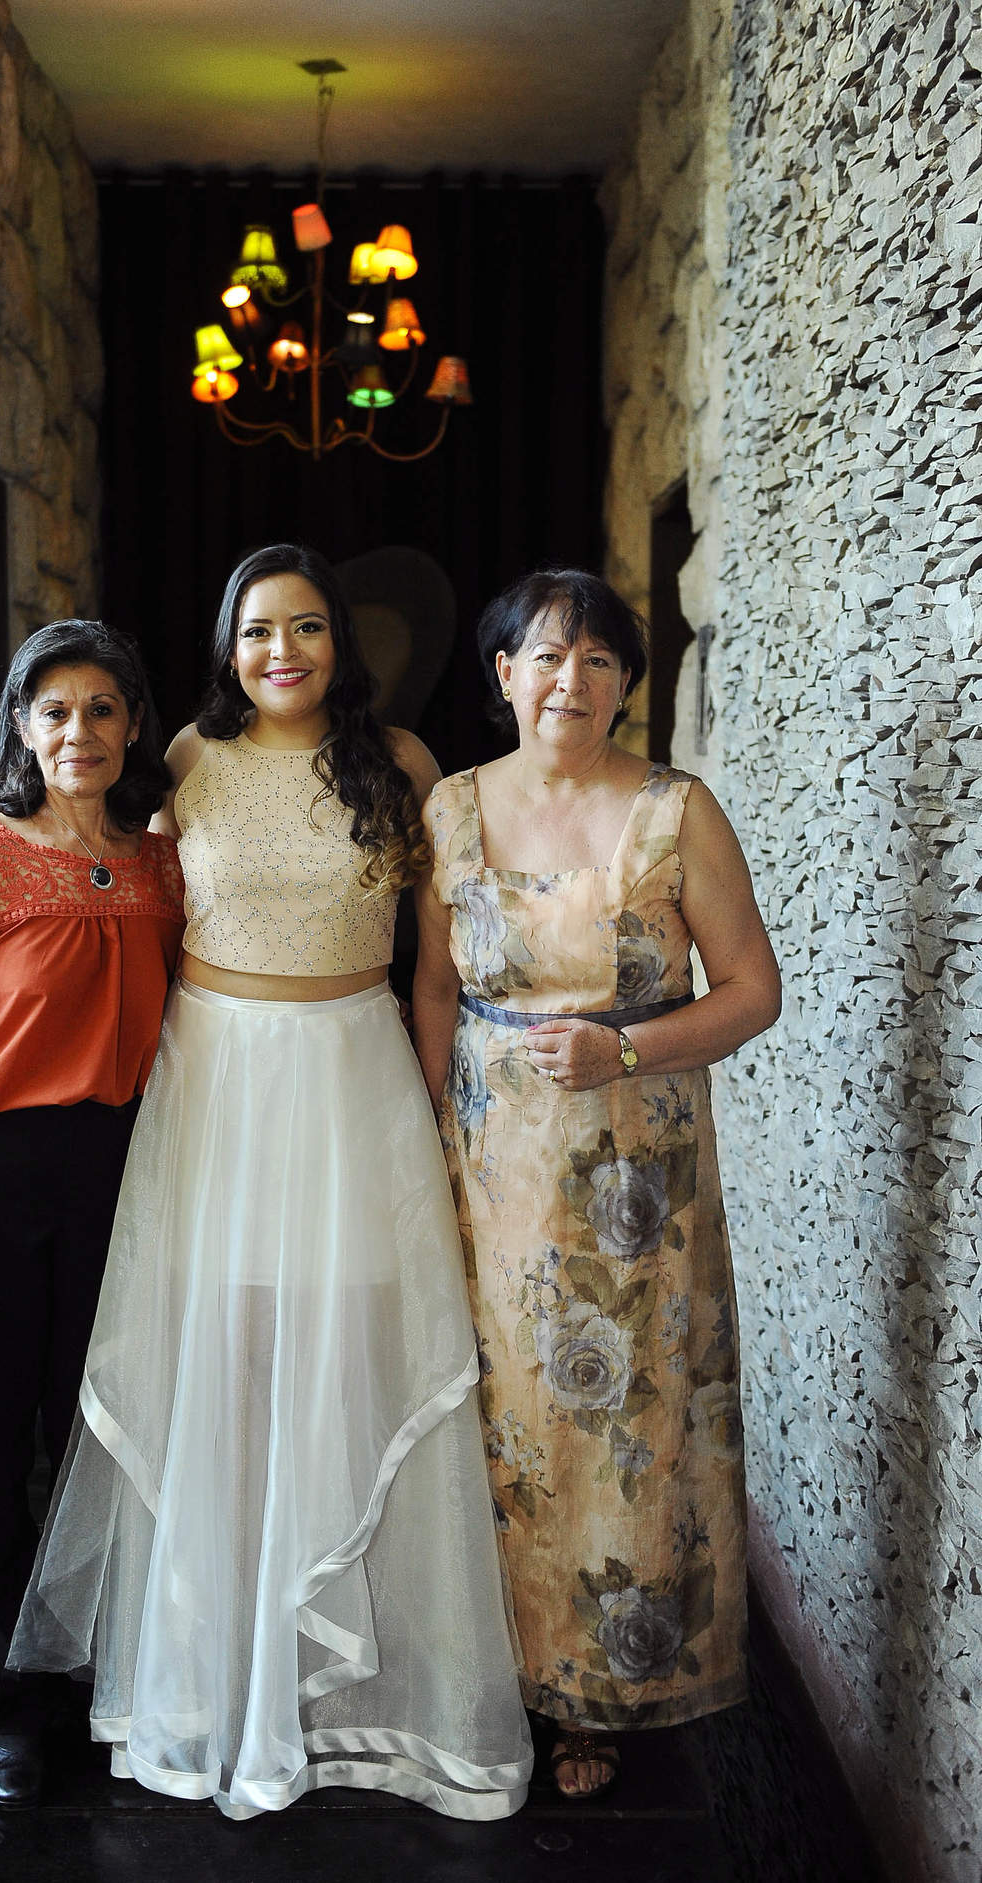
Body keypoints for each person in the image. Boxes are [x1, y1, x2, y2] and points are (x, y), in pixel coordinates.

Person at [8, 545, 533, 1821]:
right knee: (225, 1356)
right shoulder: (185, 757)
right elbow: (130, 906)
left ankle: (344, 1676)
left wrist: (432, 1104)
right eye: (256, 630)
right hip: (217, 1079)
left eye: (303, 627)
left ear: (339, 642)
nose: (280, 651)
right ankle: (216, 1666)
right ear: (227, 646)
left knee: (349, 1343)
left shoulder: (401, 762)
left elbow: (434, 961)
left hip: (352, 1074)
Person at [413, 569, 780, 1801]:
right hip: (490, 1171)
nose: (570, 680)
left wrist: (624, 1049)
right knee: (498, 1415)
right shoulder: (450, 809)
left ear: (625, 684)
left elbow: (751, 991)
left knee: (618, 1419)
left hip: (635, 1181)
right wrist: (429, 1131)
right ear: (503, 673)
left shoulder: (677, 811)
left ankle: (593, 1692)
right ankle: (497, 1673)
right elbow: (431, 986)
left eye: (599, 660)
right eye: (545, 655)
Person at [0, 620, 184, 1806]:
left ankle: (95, 1679)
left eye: (103, 707)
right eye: (54, 709)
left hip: (123, 1169)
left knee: (99, 1435)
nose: (79, 731)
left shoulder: (160, 866)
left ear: (133, 724)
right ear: (21, 724)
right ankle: (10, 1700)